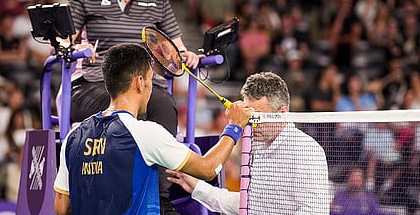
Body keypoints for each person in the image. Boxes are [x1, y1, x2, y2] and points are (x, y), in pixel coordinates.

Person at [63, 0, 201, 212]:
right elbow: (63, 44)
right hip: (95, 85)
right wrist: (78, 48)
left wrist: (186, 56)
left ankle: (160, 201)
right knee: (133, 109)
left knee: (162, 105)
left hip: (146, 86)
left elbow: (175, 49)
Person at [53, 43, 252, 215]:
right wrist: (234, 127)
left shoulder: (73, 137)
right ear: (140, 82)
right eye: (150, 79)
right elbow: (208, 169)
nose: (151, 87)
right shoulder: (146, 133)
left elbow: (61, 208)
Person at [166, 71, 330, 215]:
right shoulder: (254, 145)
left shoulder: (307, 151)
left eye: (258, 116)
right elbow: (249, 205)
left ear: (283, 113)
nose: (251, 124)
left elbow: (314, 211)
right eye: (248, 116)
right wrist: (199, 188)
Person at [330, 166, 395, 215]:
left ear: (363, 180)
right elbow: (332, 212)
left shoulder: (370, 198)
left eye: (358, 177)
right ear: (348, 179)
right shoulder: (339, 196)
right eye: (353, 177)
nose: (355, 180)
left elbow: (377, 213)